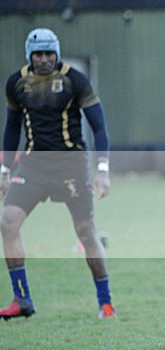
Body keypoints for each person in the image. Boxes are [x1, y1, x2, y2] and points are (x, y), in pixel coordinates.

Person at [0, 28, 115, 320]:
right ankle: (22, 298)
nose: (43, 59)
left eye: (49, 53)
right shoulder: (16, 83)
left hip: (71, 164)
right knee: (8, 222)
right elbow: (12, 128)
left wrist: (102, 170)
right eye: (38, 54)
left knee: (86, 232)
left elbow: (99, 128)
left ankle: (106, 304)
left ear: (57, 53)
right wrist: (4, 169)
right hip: (33, 164)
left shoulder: (74, 80)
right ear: (30, 55)